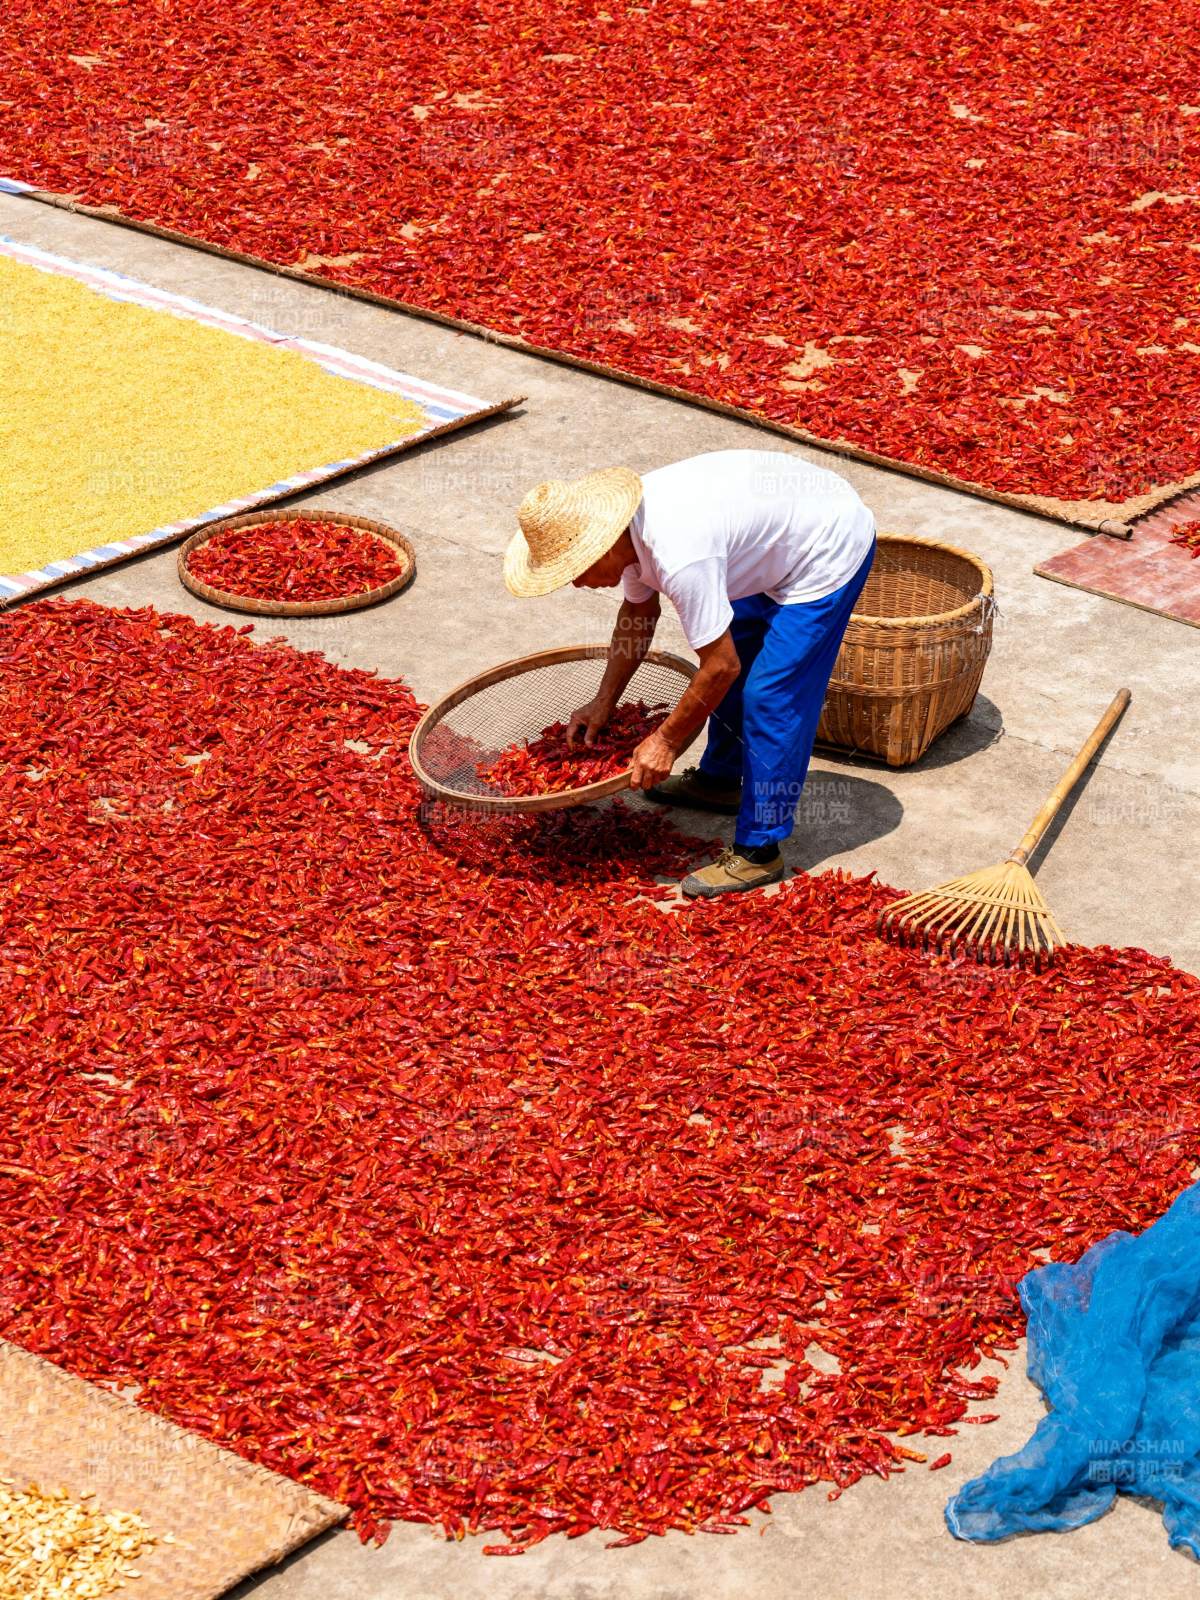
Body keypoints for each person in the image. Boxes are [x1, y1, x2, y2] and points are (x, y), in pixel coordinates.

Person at [503, 449, 876, 898]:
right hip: (771, 539)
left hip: (826, 544)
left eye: (575, 570)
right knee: (737, 654)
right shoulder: (630, 538)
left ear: (602, 545)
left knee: (770, 695)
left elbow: (720, 666)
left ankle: (761, 850)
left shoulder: (677, 553)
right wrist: (604, 701)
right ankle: (721, 780)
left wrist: (666, 741)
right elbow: (638, 614)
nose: (576, 583)